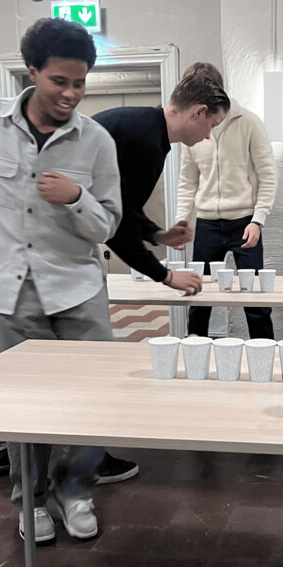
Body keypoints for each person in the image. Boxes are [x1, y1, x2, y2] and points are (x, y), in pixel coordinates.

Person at [0, 17, 122, 544]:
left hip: (78, 291)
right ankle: (31, 500)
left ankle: (76, 492)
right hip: (8, 293)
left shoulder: (96, 141)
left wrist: (76, 198)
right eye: (59, 81)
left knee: (93, 400)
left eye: (80, 83)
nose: (70, 94)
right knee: (26, 407)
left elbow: (107, 224)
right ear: (32, 72)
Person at [91, 72, 229, 483]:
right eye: (211, 124)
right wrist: (165, 275)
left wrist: (158, 235)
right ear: (198, 112)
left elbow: (123, 207)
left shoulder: (144, 127)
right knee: (89, 360)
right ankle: (79, 461)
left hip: (62, 245)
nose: (208, 135)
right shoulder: (147, 141)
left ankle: (8, 450)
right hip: (56, 250)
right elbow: (115, 224)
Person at [175, 62, 278, 339]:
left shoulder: (249, 123)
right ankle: (194, 352)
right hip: (207, 225)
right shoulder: (191, 129)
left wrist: (258, 220)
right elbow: (187, 181)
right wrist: (181, 221)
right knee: (199, 299)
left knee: (256, 301)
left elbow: (268, 175)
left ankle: (263, 353)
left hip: (245, 223)